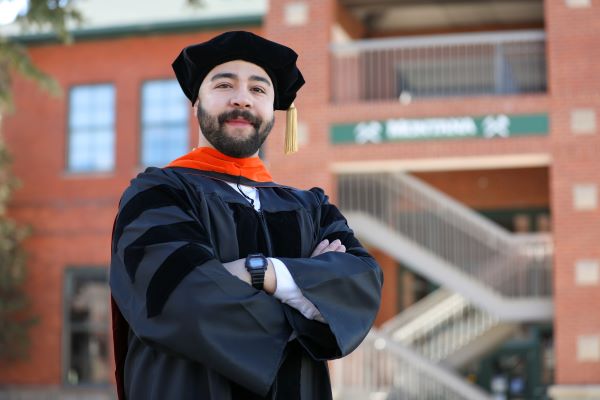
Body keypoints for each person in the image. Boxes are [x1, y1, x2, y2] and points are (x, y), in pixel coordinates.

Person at [109, 30, 383, 400]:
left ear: (273, 108)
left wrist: (261, 272)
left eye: (258, 89)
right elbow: (179, 302)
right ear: (196, 102)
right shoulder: (158, 194)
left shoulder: (311, 208)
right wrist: (308, 300)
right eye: (224, 85)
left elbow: (361, 284)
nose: (242, 99)